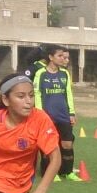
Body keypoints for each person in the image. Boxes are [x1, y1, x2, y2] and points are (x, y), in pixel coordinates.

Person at [32, 44, 80, 181]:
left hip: (64, 115)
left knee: (67, 144)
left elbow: (68, 94)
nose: (63, 59)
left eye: (63, 56)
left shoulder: (64, 73)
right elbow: (37, 93)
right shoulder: (41, 73)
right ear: (51, 57)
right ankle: (50, 172)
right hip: (47, 117)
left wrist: (71, 113)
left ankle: (68, 171)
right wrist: (41, 114)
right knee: (49, 145)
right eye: (59, 56)